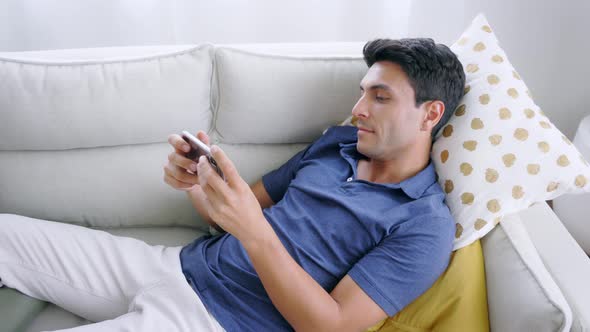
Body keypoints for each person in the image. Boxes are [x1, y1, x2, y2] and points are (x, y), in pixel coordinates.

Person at [0, 38, 465, 332]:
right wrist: (199, 187)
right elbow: (237, 213)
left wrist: (255, 232)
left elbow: (332, 326)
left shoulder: (424, 225)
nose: (359, 108)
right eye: (362, 92)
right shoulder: (336, 143)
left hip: (215, 321)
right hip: (173, 267)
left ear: (430, 114)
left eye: (380, 97)